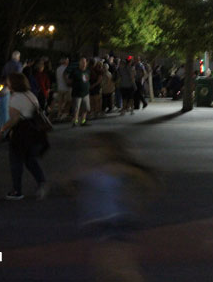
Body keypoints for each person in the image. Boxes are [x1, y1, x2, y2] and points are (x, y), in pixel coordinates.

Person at [76, 132, 158, 282]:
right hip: (101, 221)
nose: (91, 151)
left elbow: (146, 179)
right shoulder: (95, 167)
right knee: (103, 268)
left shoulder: (116, 167)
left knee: (119, 267)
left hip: (115, 221)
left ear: (109, 149)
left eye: (96, 147)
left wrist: (137, 201)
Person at [0, 73, 47, 200]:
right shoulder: (30, 95)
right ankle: (42, 182)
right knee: (30, 160)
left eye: (9, 82)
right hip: (34, 131)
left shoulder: (16, 98)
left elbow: (14, 119)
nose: (7, 84)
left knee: (16, 161)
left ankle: (17, 190)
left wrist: (2, 129)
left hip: (21, 132)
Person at [71, 57, 91, 127]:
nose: (84, 64)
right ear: (79, 63)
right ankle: (75, 121)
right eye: (82, 62)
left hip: (86, 93)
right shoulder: (75, 71)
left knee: (86, 108)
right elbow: (70, 80)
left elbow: (87, 80)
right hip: (77, 93)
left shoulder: (88, 71)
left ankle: (83, 121)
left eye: (85, 62)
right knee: (76, 109)